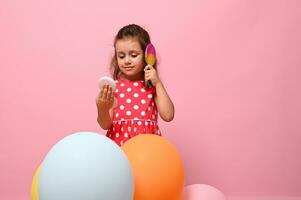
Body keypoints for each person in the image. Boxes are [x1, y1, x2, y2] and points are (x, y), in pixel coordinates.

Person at [96, 24, 174, 146]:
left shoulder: (151, 86)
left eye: (133, 55)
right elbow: (105, 124)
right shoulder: (113, 88)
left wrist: (158, 83)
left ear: (147, 56)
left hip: (147, 149)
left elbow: (168, 115)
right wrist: (102, 107)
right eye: (121, 56)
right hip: (119, 148)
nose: (127, 61)